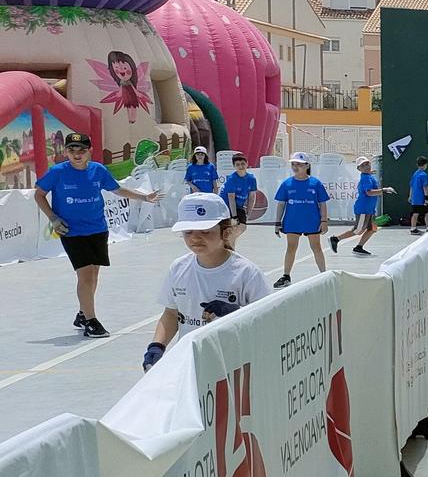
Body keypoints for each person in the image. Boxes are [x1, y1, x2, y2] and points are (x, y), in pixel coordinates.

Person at [34, 132, 162, 338]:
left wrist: (144, 197)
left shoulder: (98, 171)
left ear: (89, 152)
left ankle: (83, 313)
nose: (77, 154)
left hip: (97, 229)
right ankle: (91, 322)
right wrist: (53, 218)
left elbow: (117, 189)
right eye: (72, 150)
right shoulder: (57, 172)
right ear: (66, 152)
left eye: (81, 150)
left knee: (93, 274)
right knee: (84, 275)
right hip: (71, 231)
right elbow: (39, 194)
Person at [143, 193, 271, 370]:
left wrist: (235, 312)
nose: (195, 238)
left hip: (232, 365)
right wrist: (157, 346)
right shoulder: (178, 268)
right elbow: (171, 314)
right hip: (190, 363)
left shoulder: (246, 273)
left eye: (205, 232)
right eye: (188, 232)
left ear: (225, 232)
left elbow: (268, 320)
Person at [272, 153, 330, 288]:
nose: (295, 166)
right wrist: (277, 223)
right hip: (292, 221)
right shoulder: (287, 184)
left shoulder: (315, 183)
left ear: (307, 165)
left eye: (298, 164)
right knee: (291, 247)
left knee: (316, 247)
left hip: (312, 221)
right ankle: (286, 276)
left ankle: (324, 275)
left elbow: (322, 203)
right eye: (293, 164)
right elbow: (281, 204)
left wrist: (324, 221)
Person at [331, 156, 393, 256]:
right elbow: (369, 192)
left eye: (367, 164)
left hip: (369, 209)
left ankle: (358, 247)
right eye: (362, 165)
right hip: (363, 209)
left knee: (372, 228)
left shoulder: (367, 176)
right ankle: (335, 239)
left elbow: (367, 177)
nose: (366, 166)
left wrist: (369, 172)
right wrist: (384, 190)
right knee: (358, 231)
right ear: (359, 169)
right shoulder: (366, 178)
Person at [221, 153, 258, 223]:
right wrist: (234, 217)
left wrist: (248, 214)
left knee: (242, 226)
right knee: (232, 226)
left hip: (239, 206)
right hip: (226, 206)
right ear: (234, 166)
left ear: (247, 164)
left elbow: (252, 197)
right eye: (237, 164)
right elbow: (231, 199)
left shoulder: (252, 179)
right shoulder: (231, 179)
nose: (241, 166)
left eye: (243, 163)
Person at [407, 158, 428, 231]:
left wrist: (410, 196)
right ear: (425, 165)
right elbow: (425, 186)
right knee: (427, 213)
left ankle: (413, 228)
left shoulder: (415, 174)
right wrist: (426, 198)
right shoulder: (424, 175)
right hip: (421, 198)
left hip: (415, 198)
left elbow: (411, 185)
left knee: (415, 213)